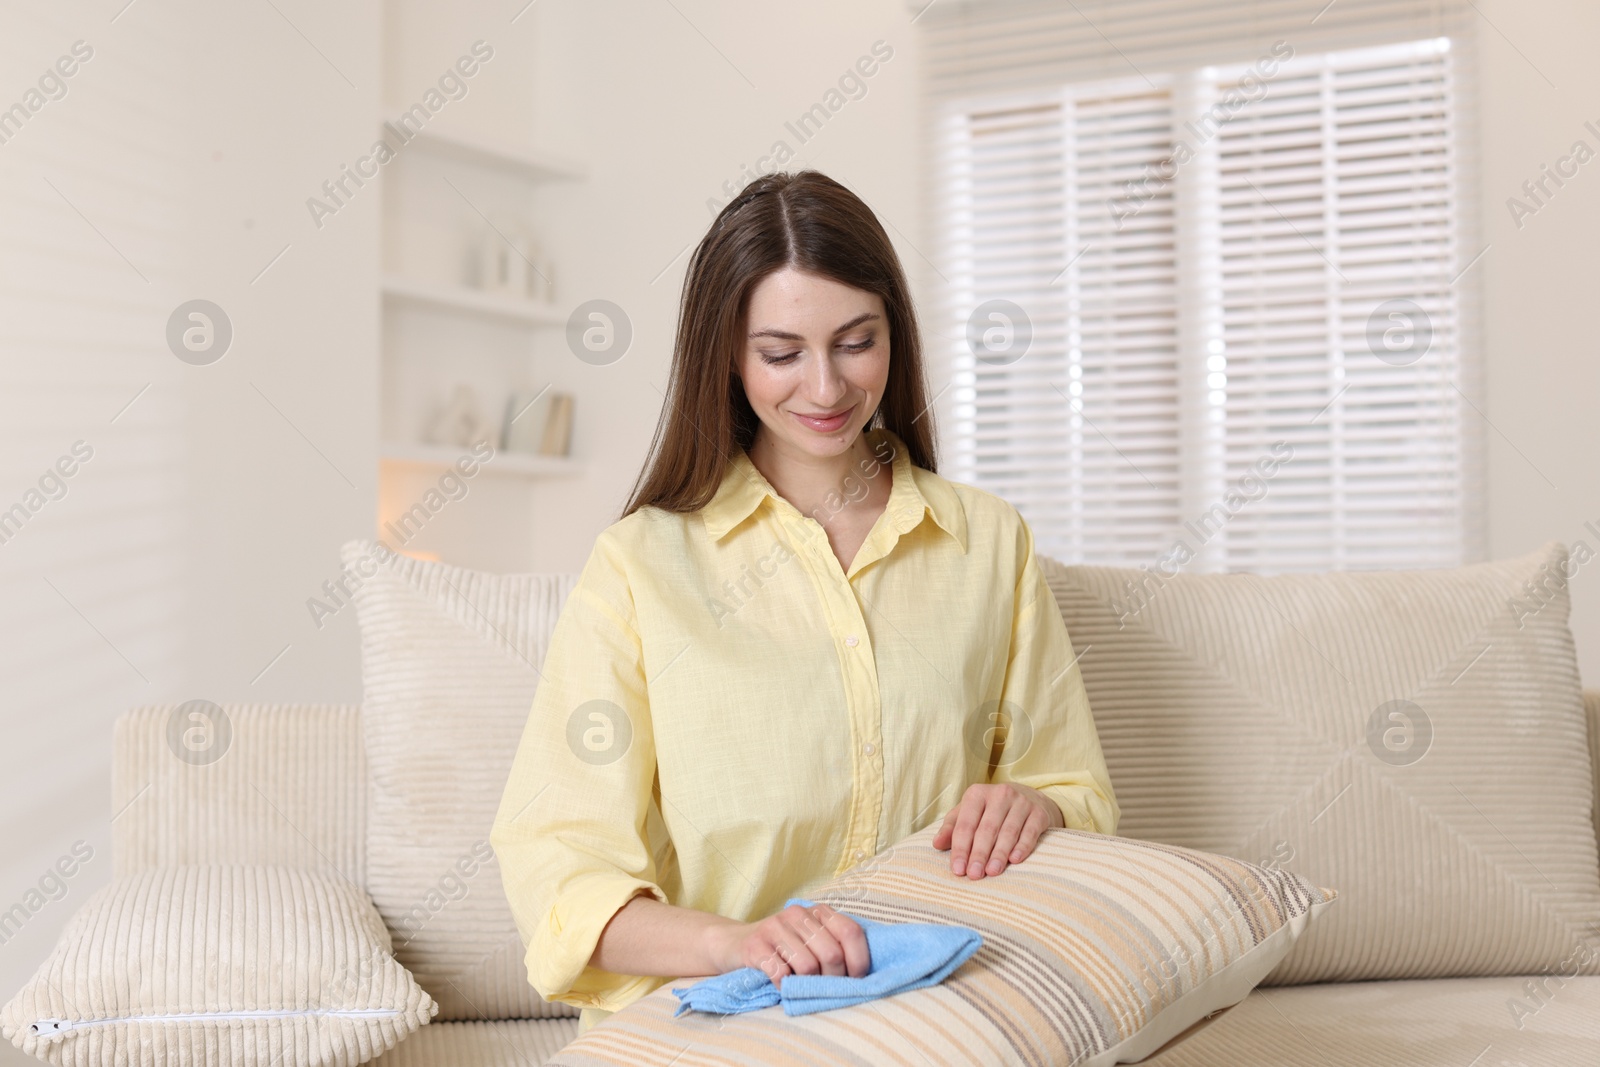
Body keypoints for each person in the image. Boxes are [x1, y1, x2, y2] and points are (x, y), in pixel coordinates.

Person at [490, 170, 1119, 1036]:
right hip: (722, 1019)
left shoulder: (989, 541)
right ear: (727, 356)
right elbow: (561, 868)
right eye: (782, 353)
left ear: (894, 334)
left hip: (944, 1013)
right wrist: (736, 943)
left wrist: (1037, 804)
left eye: (856, 342)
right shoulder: (640, 566)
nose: (825, 388)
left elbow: (1075, 788)